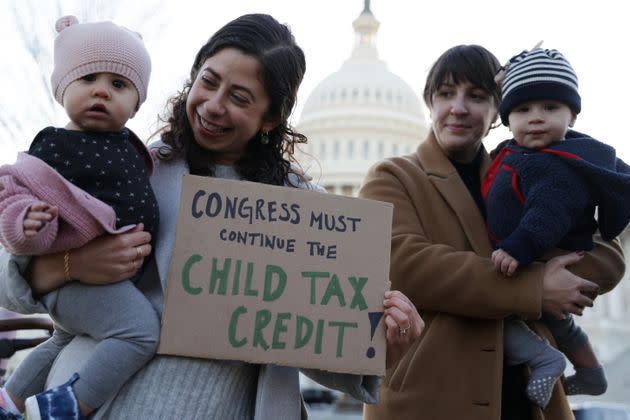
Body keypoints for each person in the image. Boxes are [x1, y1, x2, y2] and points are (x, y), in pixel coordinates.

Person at [0, 14, 424, 419]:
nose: (213, 106)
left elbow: (310, 344)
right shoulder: (133, 169)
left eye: (239, 98)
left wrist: (382, 341)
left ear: (271, 118)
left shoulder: (306, 216)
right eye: (208, 81)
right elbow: (8, 270)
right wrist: (67, 266)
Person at [359, 44, 625, 420]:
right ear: (430, 103)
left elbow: (607, 258)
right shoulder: (394, 177)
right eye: (446, 94)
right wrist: (534, 287)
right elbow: (401, 264)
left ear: (498, 112)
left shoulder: (530, 170)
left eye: (478, 96)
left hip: (528, 403)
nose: (459, 108)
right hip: (428, 402)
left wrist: (539, 264)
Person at [0, 16, 159, 420]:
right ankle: (67, 406)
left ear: (136, 103)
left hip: (97, 289)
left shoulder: (128, 146)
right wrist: (26, 224)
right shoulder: (58, 146)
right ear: (62, 88)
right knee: (140, 333)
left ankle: (9, 400)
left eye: (119, 85)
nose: (102, 91)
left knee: (62, 338)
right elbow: (13, 190)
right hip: (75, 280)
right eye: (88, 78)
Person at [484, 47, 630, 409]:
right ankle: (591, 371)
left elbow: (547, 213)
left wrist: (518, 247)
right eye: (522, 109)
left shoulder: (557, 166)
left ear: (573, 116)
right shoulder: (516, 154)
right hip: (537, 260)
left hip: (533, 252)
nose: (535, 118)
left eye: (550, 108)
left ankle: (546, 359)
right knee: (560, 322)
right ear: (506, 118)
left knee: (503, 313)